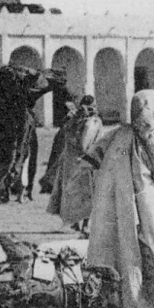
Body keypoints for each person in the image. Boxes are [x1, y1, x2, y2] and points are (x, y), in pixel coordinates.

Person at [83, 90, 154, 308]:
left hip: (145, 200)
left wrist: (148, 135)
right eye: (138, 108)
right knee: (121, 249)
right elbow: (91, 159)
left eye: (146, 108)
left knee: (152, 248)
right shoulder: (117, 137)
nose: (141, 113)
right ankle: (127, 306)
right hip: (120, 205)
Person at [48, 93, 102, 233]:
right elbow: (85, 145)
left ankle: (77, 223)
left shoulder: (74, 121)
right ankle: (84, 225)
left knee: (73, 193)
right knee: (87, 194)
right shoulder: (93, 122)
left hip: (71, 162)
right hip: (85, 161)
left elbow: (71, 140)